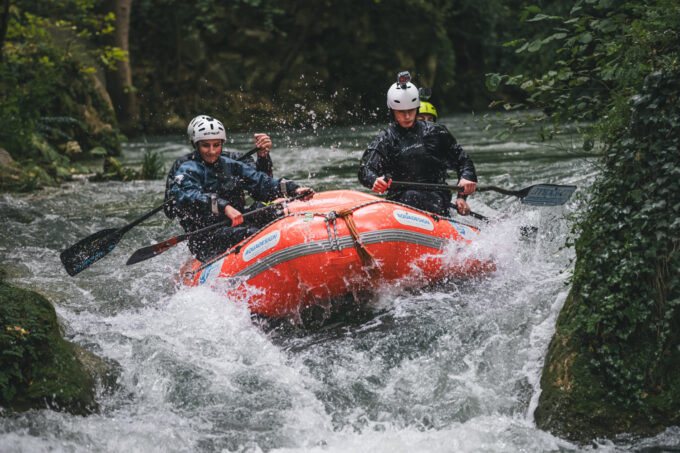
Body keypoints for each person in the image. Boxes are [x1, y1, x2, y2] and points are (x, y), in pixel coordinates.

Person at [166, 115, 313, 262]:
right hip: (206, 236)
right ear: (196, 144)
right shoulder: (186, 169)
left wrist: (293, 189)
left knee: (267, 209)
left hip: (237, 222)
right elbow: (188, 195)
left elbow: (261, 182)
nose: (212, 151)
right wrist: (224, 207)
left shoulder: (231, 163)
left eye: (216, 145)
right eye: (206, 145)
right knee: (250, 233)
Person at [358, 72, 477, 216]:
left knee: (415, 197)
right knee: (411, 196)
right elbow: (365, 170)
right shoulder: (386, 139)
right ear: (392, 111)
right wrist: (374, 180)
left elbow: (464, 162)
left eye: (411, 111)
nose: (407, 116)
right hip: (400, 201)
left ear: (417, 108)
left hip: (436, 197)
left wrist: (462, 194)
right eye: (401, 112)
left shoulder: (436, 132)